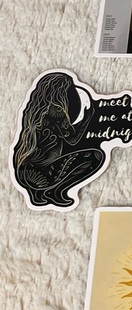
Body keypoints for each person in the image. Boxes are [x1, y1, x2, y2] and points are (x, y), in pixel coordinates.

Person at [12, 72, 105, 208]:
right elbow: (73, 139)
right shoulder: (56, 111)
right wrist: (87, 117)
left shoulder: (34, 112)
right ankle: (56, 192)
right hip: (44, 175)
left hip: (23, 171)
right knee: (96, 156)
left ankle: (36, 195)